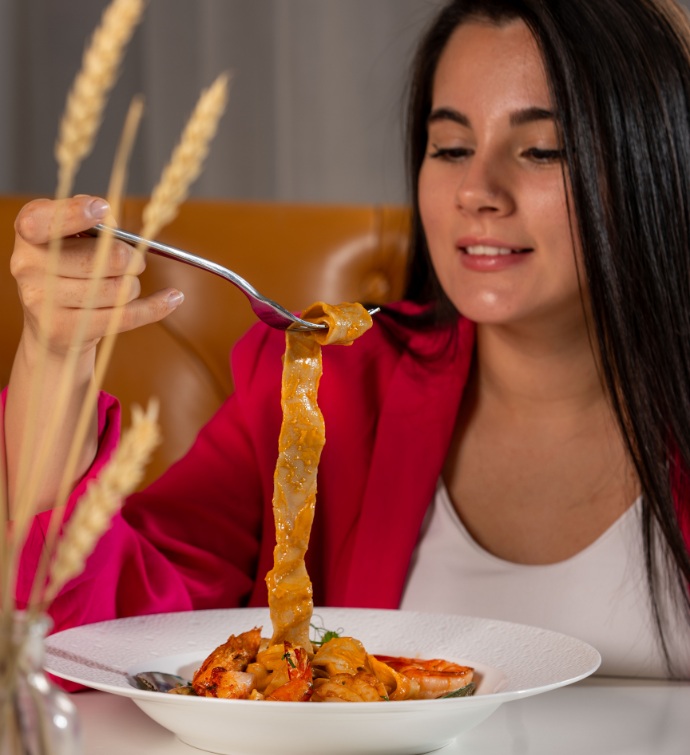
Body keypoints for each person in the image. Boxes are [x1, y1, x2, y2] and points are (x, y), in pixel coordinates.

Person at [7, 0, 690, 679]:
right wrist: (52, 358)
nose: (475, 190)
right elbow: (91, 641)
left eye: (542, 150)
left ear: (652, 160)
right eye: (450, 148)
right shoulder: (316, 386)